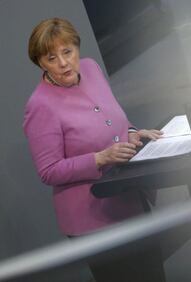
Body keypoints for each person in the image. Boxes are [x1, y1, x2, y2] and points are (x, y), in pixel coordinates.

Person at [23, 17, 165, 281]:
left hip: (131, 199)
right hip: (94, 221)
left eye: (67, 52)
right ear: (40, 63)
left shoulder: (90, 68)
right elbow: (48, 171)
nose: (63, 63)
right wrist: (99, 158)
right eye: (51, 58)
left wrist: (133, 133)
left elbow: (113, 119)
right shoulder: (40, 106)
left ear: (77, 48)